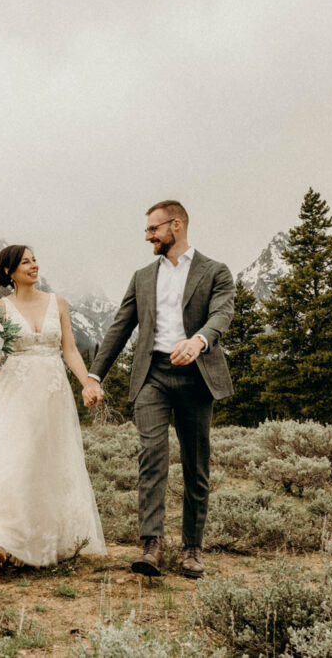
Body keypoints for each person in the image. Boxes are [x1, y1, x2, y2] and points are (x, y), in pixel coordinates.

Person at [85, 201, 234, 578]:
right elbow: (120, 326)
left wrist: (198, 341)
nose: (148, 236)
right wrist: (94, 375)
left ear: (176, 225)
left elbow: (222, 315)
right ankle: (151, 543)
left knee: (196, 465)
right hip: (152, 375)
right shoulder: (142, 276)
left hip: (196, 375)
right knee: (151, 454)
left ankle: (192, 549)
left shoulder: (215, 271)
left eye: (153, 229)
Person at [0, 245, 106, 568]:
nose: (33, 265)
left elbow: (69, 350)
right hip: (15, 393)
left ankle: (45, 540)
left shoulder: (58, 303)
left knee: (49, 461)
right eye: (25, 262)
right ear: (9, 272)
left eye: (35, 259)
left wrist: (87, 382)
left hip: (53, 393)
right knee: (12, 460)